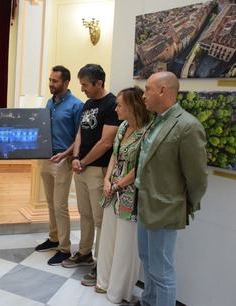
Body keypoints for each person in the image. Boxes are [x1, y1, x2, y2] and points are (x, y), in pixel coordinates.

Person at [134, 71, 207, 306]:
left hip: (166, 208)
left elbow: (197, 178)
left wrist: (183, 205)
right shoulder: (155, 121)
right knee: (147, 260)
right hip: (145, 204)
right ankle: (148, 302)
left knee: (162, 270)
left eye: (147, 90)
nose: (143, 96)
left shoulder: (187, 126)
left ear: (163, 90)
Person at [80, 87, 150, 305]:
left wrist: (118, 184)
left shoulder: (147, 132)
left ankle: (118, 290)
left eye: (120, 105)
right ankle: (103, 281)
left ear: (132, 106)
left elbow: (140, 166)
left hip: (130, 193)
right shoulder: (122, 127)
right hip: (112, 189)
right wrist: (107, 179)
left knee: (125, 243)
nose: (116, 108)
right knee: (109, 236)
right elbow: (114, 156)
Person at [62, 64, 121, 281]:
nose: (83, 89)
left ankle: (101, 262)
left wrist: (84, 161)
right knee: (84, 214)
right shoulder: (88, 103)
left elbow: (106, 142)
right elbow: (80, 132)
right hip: (83, 166)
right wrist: (76, 158)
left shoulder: (112, 104)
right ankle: (84, 252)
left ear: (98, 83)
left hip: (99, 169)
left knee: (100, 220)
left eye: (86, 85)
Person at [34, 65, 83, 265]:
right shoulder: (50, 102)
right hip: (46, 158)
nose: (51, 84)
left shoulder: (76, 105)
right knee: (50, 202)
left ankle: (64, 247)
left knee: (60, 205)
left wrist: (67, 154)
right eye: (50, 80)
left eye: (55, 81)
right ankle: (53, 238)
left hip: (63, 160)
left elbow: (79, 136)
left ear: (66, 82)